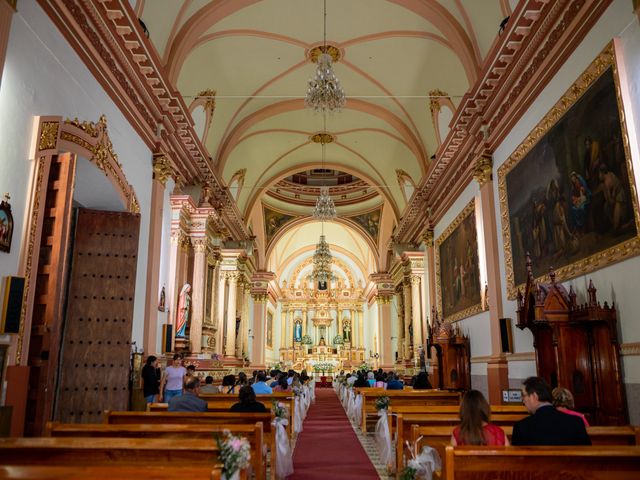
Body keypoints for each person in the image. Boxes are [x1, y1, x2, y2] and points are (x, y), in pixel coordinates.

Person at [512, 377, 591, 446]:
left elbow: (517, 460)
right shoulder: (576, 422)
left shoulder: (521, 427)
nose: (523, 401)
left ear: (534, 396)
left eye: (524, 396)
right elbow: (588, 456)